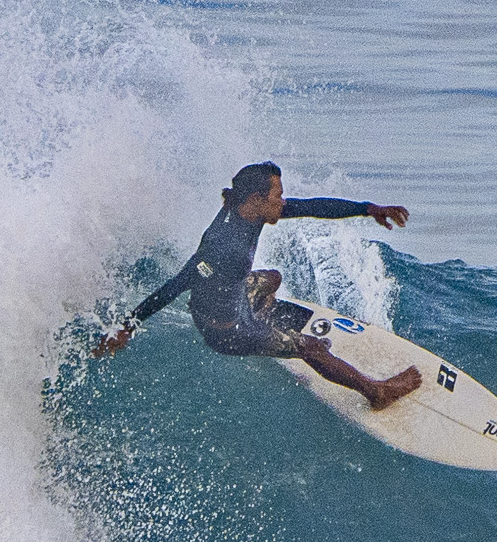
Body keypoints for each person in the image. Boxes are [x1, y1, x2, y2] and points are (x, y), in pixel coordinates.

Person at [88, 162, 423, 409]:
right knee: (308, 346)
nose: (283, 201)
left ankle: (261, 310)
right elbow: (178, 284)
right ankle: (375, 392)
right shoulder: (222, 246)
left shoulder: (252, 212)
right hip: (228, 329)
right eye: (277, 195)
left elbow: (313, 207)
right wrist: (127, 327)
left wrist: (368, 209)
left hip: (236, 297)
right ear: (258, 199)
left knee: (272, 278)